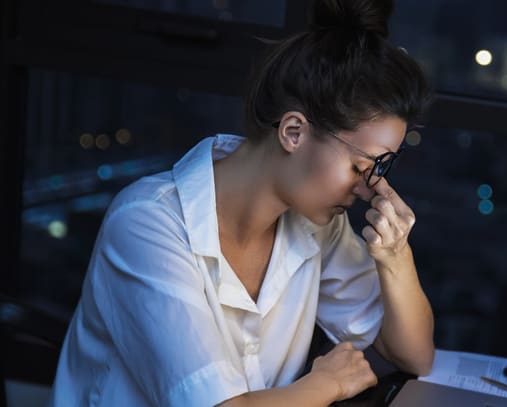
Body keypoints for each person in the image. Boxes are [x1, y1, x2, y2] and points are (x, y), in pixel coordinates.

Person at [47, 0, 435, 405]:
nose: (369, 188)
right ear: (293, 131)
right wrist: (327, 384)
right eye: (361, 167)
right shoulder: (146, 224)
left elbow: (415, 355)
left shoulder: (317, 224)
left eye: (381, 169)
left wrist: (394, 255)